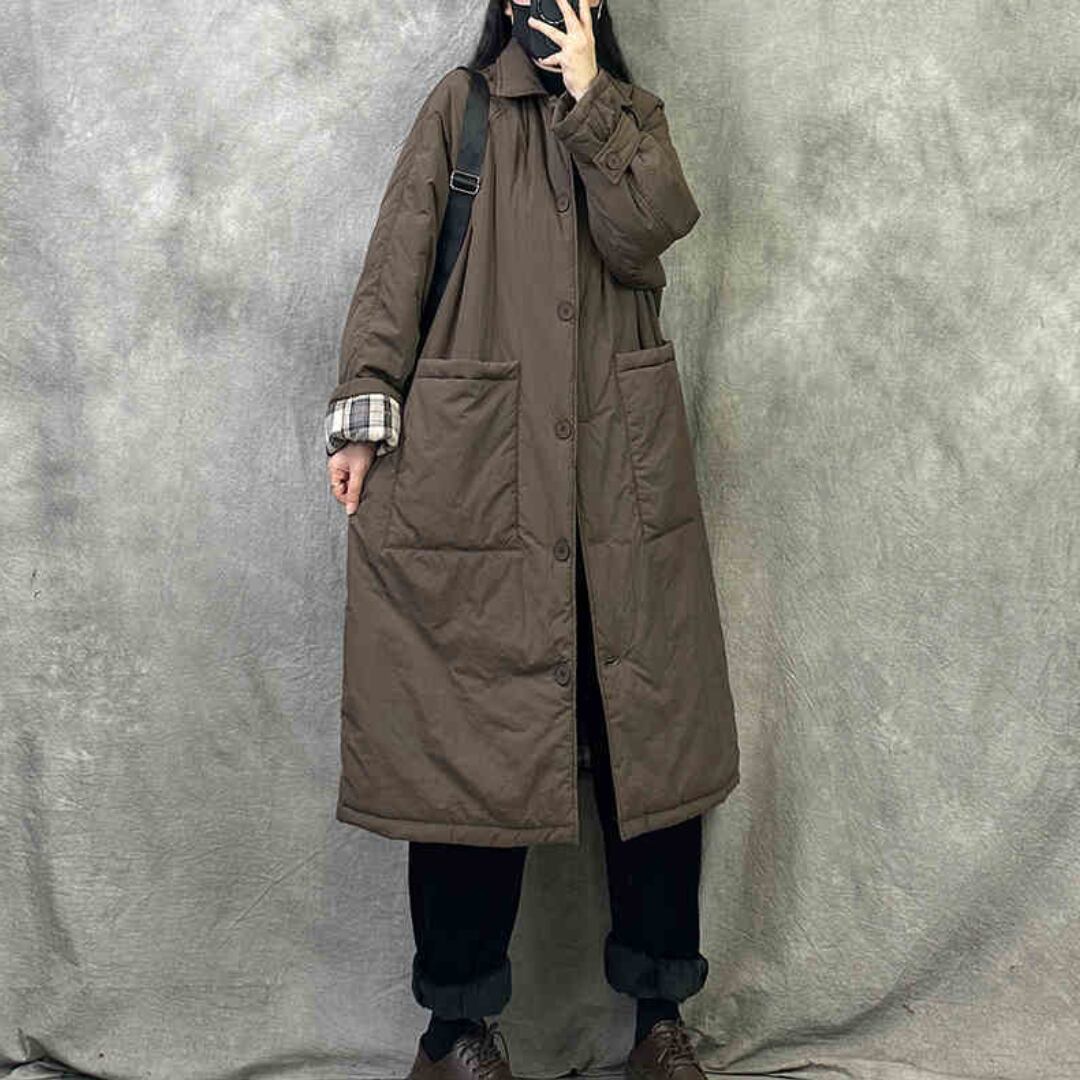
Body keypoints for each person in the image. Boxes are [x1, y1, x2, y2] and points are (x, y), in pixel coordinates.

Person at [324, 3, 741, 1079]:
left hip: (620, 490)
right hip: (482, 487)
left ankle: (660, 1023)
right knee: (472, 744)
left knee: (648, 743)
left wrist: (593, 95)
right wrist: (365, 410)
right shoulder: (459, 112)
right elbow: (397, 264)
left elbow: (652, 225)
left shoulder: (631, 118)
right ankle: (455, 1035)